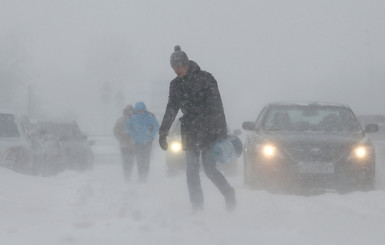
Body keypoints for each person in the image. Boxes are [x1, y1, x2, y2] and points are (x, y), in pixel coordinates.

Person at [158, 45, 236, 212]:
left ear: (186, 64)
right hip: (191, 131)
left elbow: (218, 106)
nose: (176, 70)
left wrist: (221, 132)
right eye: (173, 67)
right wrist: (163, 132)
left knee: (210, 169)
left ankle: (229, 193)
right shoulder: (175, 85)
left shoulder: (206, 78)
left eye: (179, 66)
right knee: (191, 171)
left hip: (210, 131)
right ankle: (197, 206)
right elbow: (171, 109)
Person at [126, 101, 159, 182]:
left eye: (142, 110)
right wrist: (133, 134)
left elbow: (156, 126)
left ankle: (144, 177)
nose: (141, 112)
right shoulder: (134, 117)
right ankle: (141, 177)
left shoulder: (149, 117)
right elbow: (128, 127)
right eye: (139, 110)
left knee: (144, 160)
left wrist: (151, 135)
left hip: (146, 142)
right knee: (140, 160)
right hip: (139, 142)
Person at [113, 105, 135, 181]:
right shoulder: (122, 121)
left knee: (128, 161)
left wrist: (121, 138)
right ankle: (127, 176)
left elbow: (115, 131)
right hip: (127, 144)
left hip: (128, 144)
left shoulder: (121, 120)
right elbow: (115, 131)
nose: (129, 113)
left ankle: (127, 175)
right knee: (127, 161)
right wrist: (121, 138)